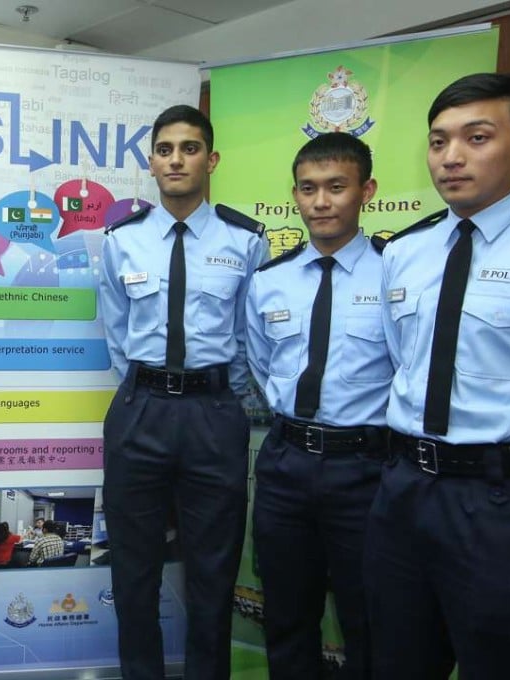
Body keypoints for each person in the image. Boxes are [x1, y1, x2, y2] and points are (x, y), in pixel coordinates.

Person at [365, 72, 510, 679]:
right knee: (399, 660)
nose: (452, 157)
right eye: (438, 142)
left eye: (477, 137)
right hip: (404, 490)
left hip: (498, 501)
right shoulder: (406, 252)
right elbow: (398, 359)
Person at [98, 103, 268, 680]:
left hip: (213, 414)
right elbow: (116, 333)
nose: (177, 160)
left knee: (213, 572)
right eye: (165, 150)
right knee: (133, 571)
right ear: (151, 162)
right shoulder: (121, 241)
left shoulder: (245, 241)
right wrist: (149, 387)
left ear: (211, 159)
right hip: (139, 411)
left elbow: (249, 337)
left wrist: (217, 392)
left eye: (190, 148)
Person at [245, 132, 390, 679]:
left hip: (367, 467)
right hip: (287, 463)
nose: (321, 202)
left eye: (336, 187)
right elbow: (260, 365)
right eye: (308, 189)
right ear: (295, 194)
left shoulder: (395, 272)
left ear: (366, 190)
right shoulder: (269, 281)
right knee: (286, 613)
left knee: (368, 617)